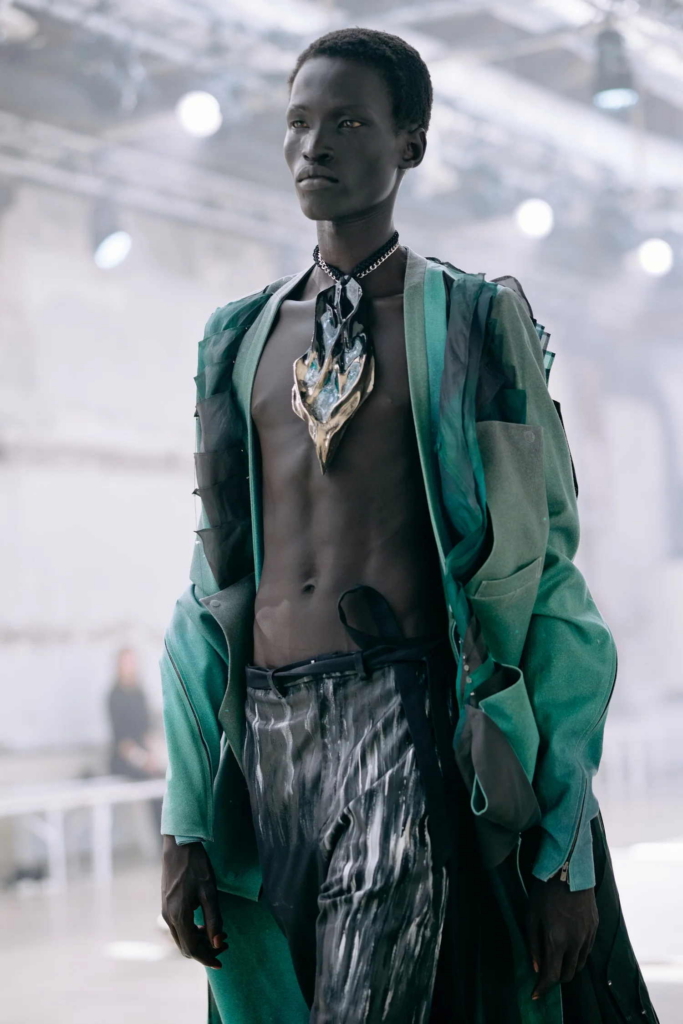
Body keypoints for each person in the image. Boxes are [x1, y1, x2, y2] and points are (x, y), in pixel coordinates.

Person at [159, 27, 659, 1024]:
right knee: (269, 1001)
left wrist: (561, 839)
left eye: (348, 122)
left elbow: (543, 576)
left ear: (409, 144)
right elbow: (210, 581)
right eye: (299, 122)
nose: (315, 146)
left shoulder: (474, 324)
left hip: (401, 719)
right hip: (261, 738)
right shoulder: (236, 340)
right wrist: (185, 821)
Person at [107, 646, 163, 832]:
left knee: (164, 779)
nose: (130, 667)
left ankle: (168, 839)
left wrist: (154, 757)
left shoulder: (140, 693)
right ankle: (162, 842)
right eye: (126, 663)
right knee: (152, 778)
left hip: (144, 757)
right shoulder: (113, 696)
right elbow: (123, 742)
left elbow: (147, 732)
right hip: (123, 760)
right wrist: (143, 761)